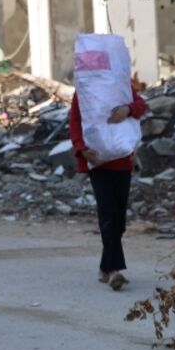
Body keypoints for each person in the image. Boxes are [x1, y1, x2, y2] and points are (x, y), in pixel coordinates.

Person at [69, 78, 147, 291]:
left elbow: (141, 106)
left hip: (122, 162)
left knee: (119, 220)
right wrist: (82, 150)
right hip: (98, 162)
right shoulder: (84, 90)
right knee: (108, 216)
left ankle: (104, 266)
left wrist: (127, 110)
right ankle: (114, 271)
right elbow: (75, 122)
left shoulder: (121, 86)